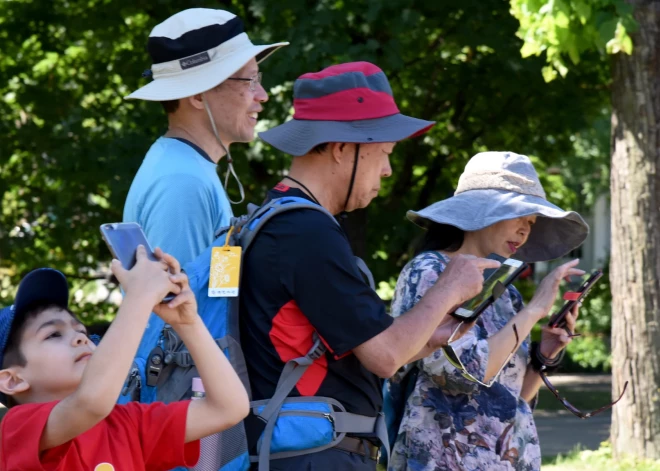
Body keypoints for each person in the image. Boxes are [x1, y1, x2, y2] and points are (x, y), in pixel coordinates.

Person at [239, 61, 501, 470]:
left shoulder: (279, 220)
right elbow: (384, 356)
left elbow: (358, 349)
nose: (388, 170)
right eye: (384, 153)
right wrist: (449, 286)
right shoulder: (306, 231)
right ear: (343, 149)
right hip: (314, 458)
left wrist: (428, 335)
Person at [386, 151, 590, 471]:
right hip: (442, 459)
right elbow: (461, 376)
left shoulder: (505, 292)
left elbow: (512, 397)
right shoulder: (431, 271)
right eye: (519, 216)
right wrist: (536, 309)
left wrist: (544, 356)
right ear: (483, 210)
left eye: (531, 222)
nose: (525, 231)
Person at [0, 246, 249, 470]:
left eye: (81, 331)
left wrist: (188, 323)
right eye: (53, 334)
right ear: (12, 381)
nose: (80, 338)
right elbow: (91, 402)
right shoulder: (15, 429)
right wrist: (139, 298)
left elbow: (229, 408)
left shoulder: (127, 422)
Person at [123, 8, 288, 265]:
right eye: (250, 80)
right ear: (199, 95)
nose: (262, 95)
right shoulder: (183, 182)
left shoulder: (188, 167)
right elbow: (172, 305)